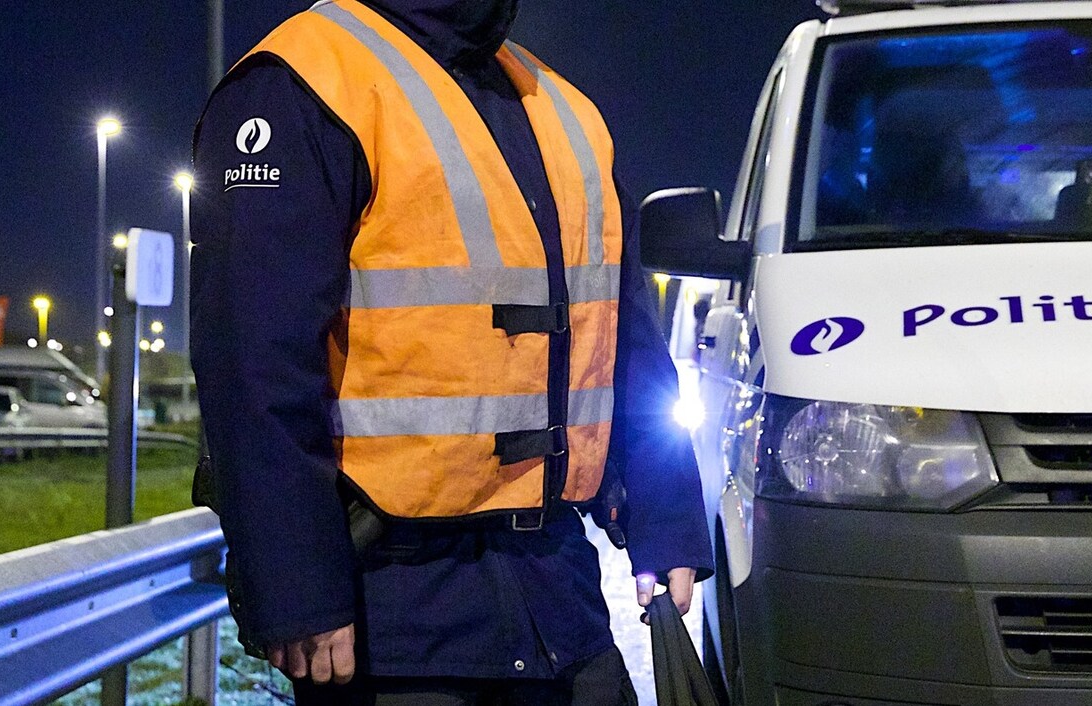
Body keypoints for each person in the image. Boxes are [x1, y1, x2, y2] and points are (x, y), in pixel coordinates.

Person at [188, 1, 713, 704]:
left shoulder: (565, 111)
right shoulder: (302, 82)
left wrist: (664, 511)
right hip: (394, 625)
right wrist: (296, 586)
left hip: (558, 602)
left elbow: (623, 339)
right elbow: (252, 363)